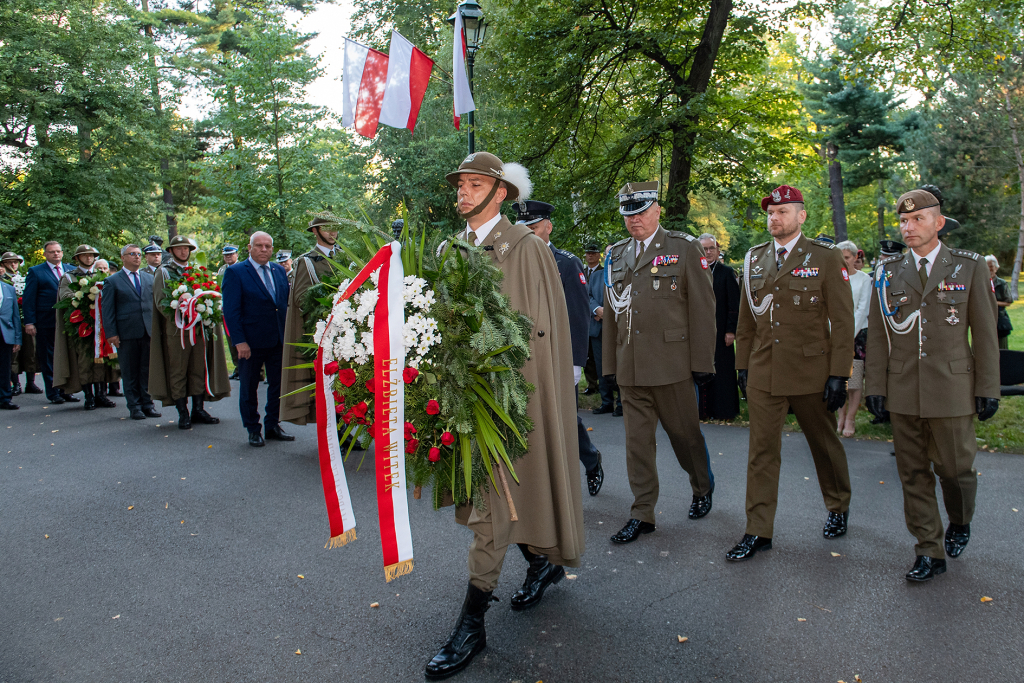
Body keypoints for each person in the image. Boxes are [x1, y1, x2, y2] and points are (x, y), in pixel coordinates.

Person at [424, 153, 584, 680]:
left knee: (491, 510)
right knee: (488, 498)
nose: (463, 193)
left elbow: (538, 333)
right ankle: (540, 560)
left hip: (509, 402)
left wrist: (511, 390)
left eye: (474, 184)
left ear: (500, 193)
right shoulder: (451, 249)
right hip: (463, 399)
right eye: (461, 185)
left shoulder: (526, 249)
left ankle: (472, 622)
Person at [865, 189, 1000, 582]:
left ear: (938, 223)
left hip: (953, 387)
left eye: (917, 219)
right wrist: (876, 385)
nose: (908, 227)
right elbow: (877, 335)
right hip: (904, 387)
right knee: (912, 473)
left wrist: (987, 388)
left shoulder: (968, 267)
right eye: (903, 221)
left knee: (956, 470)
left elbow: (986, 334)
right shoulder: (887, 272)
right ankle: (929, 549)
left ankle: (959, 519)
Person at [727, 184, 855, 562]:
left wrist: (839, 374)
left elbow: (843, 323)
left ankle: (838, 505)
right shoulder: (754, 259)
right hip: (765, 370)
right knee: (761, 452)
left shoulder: (826, 257)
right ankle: (758, 530)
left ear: (801, 216)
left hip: (811, 371)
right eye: (770, 212)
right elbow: (747, 320)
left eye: (782, 212)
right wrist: (743, 366)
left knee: (823, 443)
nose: (774, 218)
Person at [602, 181, 718, 545]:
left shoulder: (684, 248)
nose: (634, 220)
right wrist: (609, 367)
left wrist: (702, 362)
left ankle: (702, 485)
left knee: (684, 436)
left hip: (672, 366)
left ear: (657, 211)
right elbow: (612, 317)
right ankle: (642, 512)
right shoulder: (617, 254)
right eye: (628, 214)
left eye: (640, 212)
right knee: (638, 445)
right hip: (631, 367)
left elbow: (703, 308)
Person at [517, 200, 604, 496]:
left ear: (548, 227)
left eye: (533, 227)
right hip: (523, 356)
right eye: (522, 228)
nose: (527, 232)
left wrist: (576, 362)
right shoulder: (512, 261)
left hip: (556, 355)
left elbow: (578, 315)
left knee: (564, 418)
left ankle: (590, 460)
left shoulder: (566, 263)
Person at [149, 235, 230, 429]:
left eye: (186, 248)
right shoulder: (164, 272)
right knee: (178, 371)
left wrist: (205, 311)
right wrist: (183, 313)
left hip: (199, 328)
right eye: (179, 248)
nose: (183, 251)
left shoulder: (196, 270)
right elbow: (161, 302)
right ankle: (182, 412)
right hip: (177, 330)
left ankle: (198, 409)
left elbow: (207, 292)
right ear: (171, 251)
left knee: (198, 368)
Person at [222, 232, 293, 447]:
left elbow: (282, 305)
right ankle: (253, 428)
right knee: (249, 387)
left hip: (278, 340)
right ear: (249, 248)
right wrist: (239, 341)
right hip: (250, 343)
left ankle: (272, 424)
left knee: (278, 386)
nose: (264, 249)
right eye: (259, 245)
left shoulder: (279, 271)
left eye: (268, 246)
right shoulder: (236, 272)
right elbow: (231, 311)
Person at [281, 216, 343, 426]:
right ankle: (332, 435)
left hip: (345, 331)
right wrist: (329, 298)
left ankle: (343, 429)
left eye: (335, 228)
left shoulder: (345, 258)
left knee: (344, 382)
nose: (332, 233)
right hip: (322, 332)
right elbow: (300, 298)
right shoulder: (306, 262)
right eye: (327, 228)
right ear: (315, 231)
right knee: (326, 385)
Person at [53, 245, 120, 410]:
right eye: (85, 255)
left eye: (91, 255)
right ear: (77, 258)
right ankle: (89, 396)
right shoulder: (69, 277)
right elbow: (65, 296)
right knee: (84, 360)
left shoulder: (103, 275)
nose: (89, 258)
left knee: (102, 359)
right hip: (82, 324)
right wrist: (84, 297)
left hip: (102, 325)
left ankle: (101, 395)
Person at [101, 244, 161, 420]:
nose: (137, 257)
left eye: (138, 254)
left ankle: (147, 404)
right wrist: (111, 333)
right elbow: (108, 310)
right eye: (132, 254)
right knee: (130, 371)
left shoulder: (149, 278)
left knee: (146, 370)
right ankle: (134, 406)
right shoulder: (113, 281)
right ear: (123, 258)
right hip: (126, 333)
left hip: (148, 331)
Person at [22, 242, 81, 405]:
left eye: (58, 251)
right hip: (46, 321)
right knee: (48, 357)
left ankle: (67, 389)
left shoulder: (71, 269)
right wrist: (30, 322)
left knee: (68, 355)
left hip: (69, 320)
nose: (56, 254)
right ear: (45, 254)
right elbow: (29, 299)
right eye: (52, 252)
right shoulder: (36, 272)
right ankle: (53, 392)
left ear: (62, 253)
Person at [697, 233, 741, 421]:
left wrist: (731, 330)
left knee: (722, 371)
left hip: (721, 330)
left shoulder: (726, 272)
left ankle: (723, 411)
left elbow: (734, 304)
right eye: (704, 249)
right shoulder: (694, 271)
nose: (708, 252)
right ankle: (703, 412)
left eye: (711, 248)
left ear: (717, 250)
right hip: (699, 331)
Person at [836, 240, 872, 438]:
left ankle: (851, 418)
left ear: (855, 257)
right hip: (836, 334)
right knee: (839, 377)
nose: (844, 261)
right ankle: (840, 416)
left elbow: (862, 309)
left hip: (857, 335)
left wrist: (849, 334)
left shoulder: (864, 279)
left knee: (855, 379)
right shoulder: (833, 278)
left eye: (847, 258)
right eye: (840, 258)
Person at [589, 246, 623, 417]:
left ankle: (622, 404)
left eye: (615, 253)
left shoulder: (625, 274)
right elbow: (587, 297)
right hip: (598, 329)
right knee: (602, 366)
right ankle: (606, 402)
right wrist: (596, 309)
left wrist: (607, 314)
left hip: (619, 329)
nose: (612, 256)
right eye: (609, 253)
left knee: (619, 366)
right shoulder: (595, 276)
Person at [1, 252, 40, 396]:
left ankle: (30, 382)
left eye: (15, 262)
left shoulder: (25, 277)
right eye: (9, 262)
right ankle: (15, 383)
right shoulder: (3, 279)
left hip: (26, 320)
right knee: (14, 354)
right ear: (3, 264)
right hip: (10, 321)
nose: (13, 265)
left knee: (31, 351)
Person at [217, 244, 241, 378]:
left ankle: (258, 372)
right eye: (226, 255)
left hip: (239, 309)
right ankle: (238, 368)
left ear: (236, 255)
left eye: (231, 254)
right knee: (231, 339)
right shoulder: (222, 270)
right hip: (225, 309)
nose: (228, 257)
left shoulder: (242, 268)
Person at [581, 243, 602, 393]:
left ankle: (606, 385)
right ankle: (591, 384)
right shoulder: (580, 270)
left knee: (599, 355)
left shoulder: (604, 271)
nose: (590, 255)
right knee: (587, 355)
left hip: (598, 319)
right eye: (588, 253)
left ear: (599, 255)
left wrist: (596, 312)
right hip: (583, 318)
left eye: (593, 253)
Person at [0, 273, 21, 410]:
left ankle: (5, 398)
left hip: (5, 333)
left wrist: (17, 338)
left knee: (4, 368)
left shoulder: (9, 289)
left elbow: (15, 315)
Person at [985, 255, 1014, 348]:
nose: (990, 269)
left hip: (999, 320)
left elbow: (1009, 301)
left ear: (996, 268)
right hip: (984, 319)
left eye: (991, 266)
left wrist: (994, 303)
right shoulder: (980, 282)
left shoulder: (1002, 283)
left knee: (1001, 349)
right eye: (987, 266)